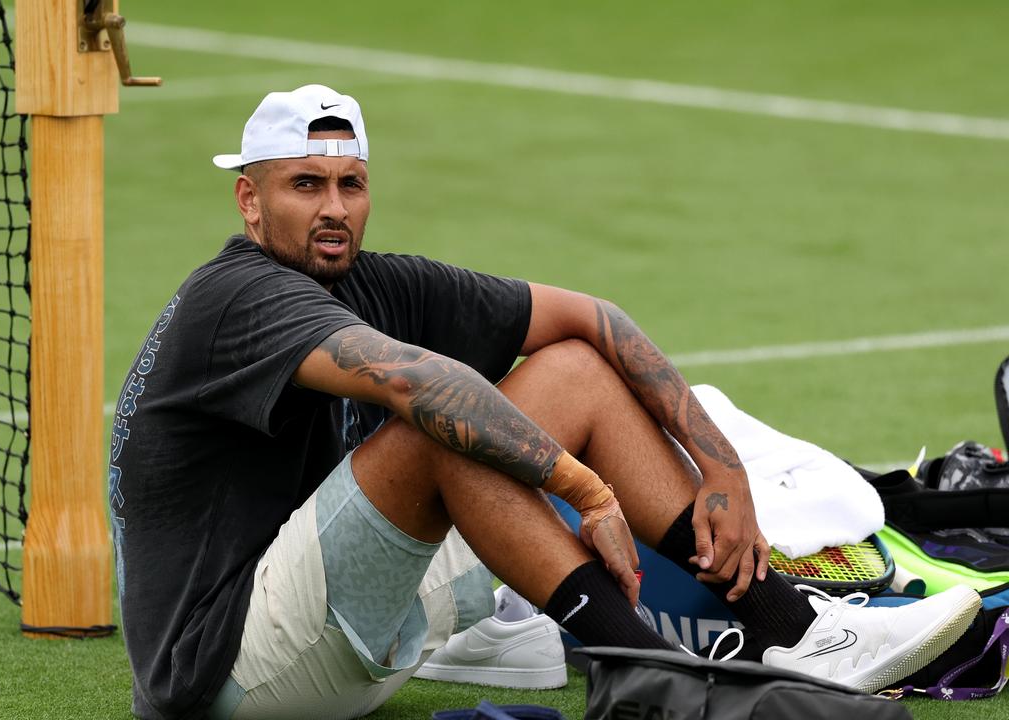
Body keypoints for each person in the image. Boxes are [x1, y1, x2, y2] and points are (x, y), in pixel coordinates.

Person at [109, 84, 980, 720]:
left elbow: (595, 319)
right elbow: (425, 389)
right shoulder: (239, 295)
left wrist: (724, 468)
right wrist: (587, 491)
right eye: (305, 185)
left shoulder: (370, 282)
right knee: (448, 417)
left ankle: (788, 630)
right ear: (249, 201)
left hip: (337, 631)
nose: (334, 208)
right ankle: (652, 677)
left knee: (568, 367)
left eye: (351, 184)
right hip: (227, 674)